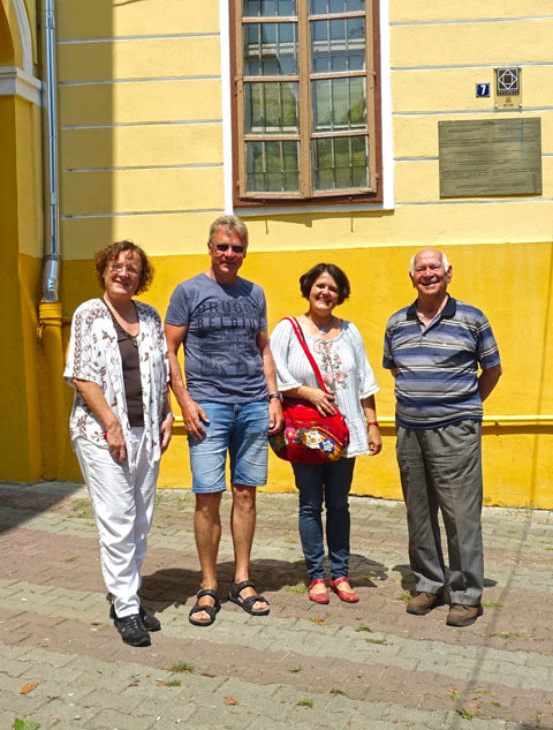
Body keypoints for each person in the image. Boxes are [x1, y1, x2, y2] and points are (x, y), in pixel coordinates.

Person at [164, 215, 283, 626]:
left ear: (244, 253)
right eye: (222, 247)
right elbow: (169, 351)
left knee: (246, 493)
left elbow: (263, 349)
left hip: (252, 404)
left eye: (236, 248)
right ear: (210, 248)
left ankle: (243, 580)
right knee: (208, 497)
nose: (229, 254)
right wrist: (184, 401)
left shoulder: (255, 293)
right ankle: (209, 585)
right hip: (209, 408)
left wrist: (273, 398)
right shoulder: (188, 291)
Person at [383, 248, 502, 627]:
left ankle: (466, 593)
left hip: (456, 432)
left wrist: (463, 407)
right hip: (410, 432)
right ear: (412, 276)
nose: (428, 273)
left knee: (461, 514)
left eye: (435, 267)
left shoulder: (472, 318)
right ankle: (429, 583)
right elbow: (396, 371)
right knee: (419, 512)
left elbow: (493, 370)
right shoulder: (396, 322)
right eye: (421, 268)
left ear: (449, 273)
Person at [64, 241, 173, 647]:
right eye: (116, 265)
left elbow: (161, 372)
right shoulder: (88, 313)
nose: (123, 272)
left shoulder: (150, 315)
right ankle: (126, 608)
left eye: (132, 267)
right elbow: (80, 375)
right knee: (117, 518)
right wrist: (110, 423)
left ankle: (127, 593)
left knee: (141, 519)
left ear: (141, 276)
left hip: (146, 431)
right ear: (103, 270)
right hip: (99, 432)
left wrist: (166, 415)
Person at [270, 263, 382, 604]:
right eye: (320, 286)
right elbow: (273, 374)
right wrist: (308, 393)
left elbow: (364, 378)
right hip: (306, 433)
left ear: (340, 294)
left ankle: (341, 574)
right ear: (308, 289)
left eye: (332, 288)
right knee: (309, 505)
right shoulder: (288, 330)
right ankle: (317, 576)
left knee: (339, 505)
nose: (325, 293)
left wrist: (373, 423)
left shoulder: (350, 331)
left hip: (343, 432)